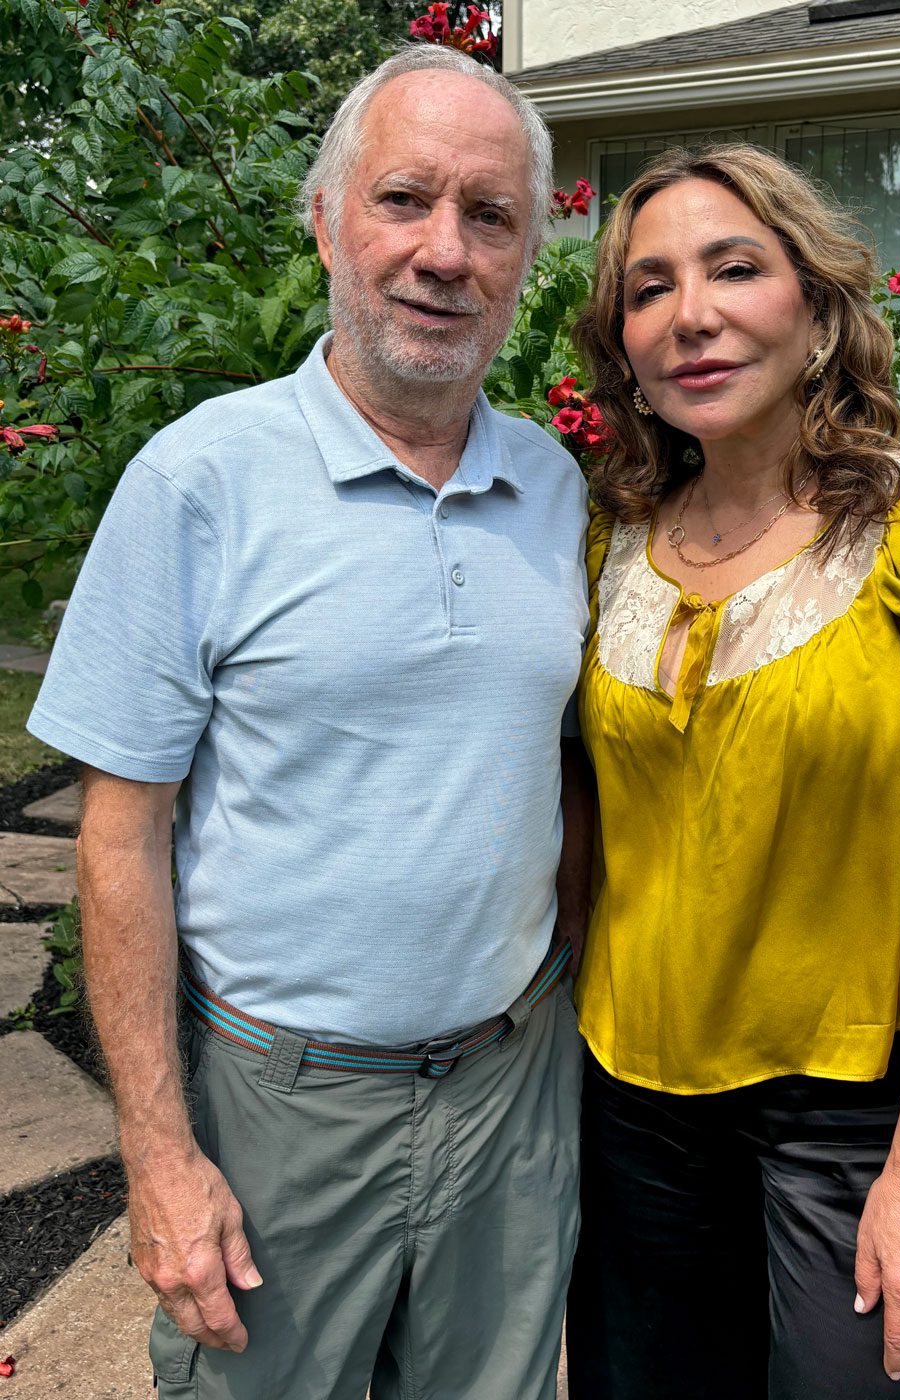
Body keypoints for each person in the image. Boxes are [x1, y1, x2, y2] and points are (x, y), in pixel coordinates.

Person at [28, 44, 591, 1400]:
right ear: (327, 218)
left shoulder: (558, 486)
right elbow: (119, 839)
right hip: (282, 1106)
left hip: (511, 1091)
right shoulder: (202, 480)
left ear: (527, 253)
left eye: (489, 214)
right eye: (403, 199)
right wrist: (160, 1162)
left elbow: (566, 775)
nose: (442, 252)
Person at [563, 144, 900, 1399]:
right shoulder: (603, 542)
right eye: (649, 287)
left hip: (856, 1111)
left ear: (815, 305)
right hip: (631, 1096)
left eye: (735, 267)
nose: (692, 314)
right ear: (621, 341)